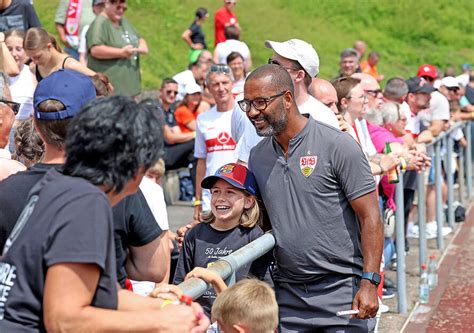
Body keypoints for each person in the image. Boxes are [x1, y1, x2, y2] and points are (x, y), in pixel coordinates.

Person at [0, 92, 209, 331]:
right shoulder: (86, 202)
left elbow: (105, 296)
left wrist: (165, 308)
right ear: (139, 169)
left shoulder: (60, 185)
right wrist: (163, 322)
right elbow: (65, 320)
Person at [243, 64, 382, 331]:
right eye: (247, 104)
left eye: (260, 103)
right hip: (288, 296)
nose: (252, 113)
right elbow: (259, 218)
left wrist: (369, 282)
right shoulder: (257, 156)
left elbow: (371, 217)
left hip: (342, 292)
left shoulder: (337, 145)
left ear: (286, 99)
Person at [174, 162, 269, 318]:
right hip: (199, 319)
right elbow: (179, 282)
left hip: (238, 319)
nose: (220, 198)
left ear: (248, 201)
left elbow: (264, 289)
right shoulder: (194, 234)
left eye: (230, 192)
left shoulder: (255, 237)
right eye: (216, 191)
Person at [235, 38, 340, 164]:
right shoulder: (261, 113)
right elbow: (244, 162)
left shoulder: (323, 117)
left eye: (277, 66)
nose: (270, 69)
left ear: (300, 75)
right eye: (270, 62)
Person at [193, 64, 237, 217]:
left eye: (224, 83)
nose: (220, 88)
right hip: (210, 198)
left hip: (239, 195)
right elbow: (201, 162)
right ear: (208, 88)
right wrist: (198, 200)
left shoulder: (245, 115)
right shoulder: (203, 119)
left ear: (232, 84)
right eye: (215, 84)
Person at [87, 0, 148, 96]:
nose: (121, 11)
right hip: (111, 92)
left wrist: (142, 45)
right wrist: (121, 52)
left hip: (129, 91)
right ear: (107, 4)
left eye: (124, 8)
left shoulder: (123, 22)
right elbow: (95, 49)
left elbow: (139, 38)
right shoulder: (100, 23)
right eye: (118, 7)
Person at [24, 27, 95, 82]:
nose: (35, 62)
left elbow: (100, 82)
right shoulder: (34, 68)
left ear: (49, 47)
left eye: (38, 57)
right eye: (31, 58)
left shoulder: (70, 65)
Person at [5, 29, 35, 120]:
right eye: (9, 49)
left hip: (27, 129)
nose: (14, 54)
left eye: (18, 49)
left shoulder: (33, 74)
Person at [78, 0, 106, 66]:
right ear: (93, 8)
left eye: (104, 5)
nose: (102, 8)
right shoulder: (87, 29)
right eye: (99, 5)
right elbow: (82, 56)